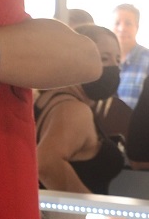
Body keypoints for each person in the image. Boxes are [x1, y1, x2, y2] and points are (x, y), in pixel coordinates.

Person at [35, 24, 124, 193]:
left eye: (118, 60)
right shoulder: (74, 110)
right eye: (104, 59)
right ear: (74, 59)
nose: (114, 68)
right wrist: (90, 205)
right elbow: (46, 164)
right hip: (66, 211)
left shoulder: (48, 98)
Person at [113, 2, 149, 107]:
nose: (122, 28)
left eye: (128, 23)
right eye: (117, 23)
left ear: (137, 27)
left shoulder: (147, 61)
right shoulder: (104, 62)